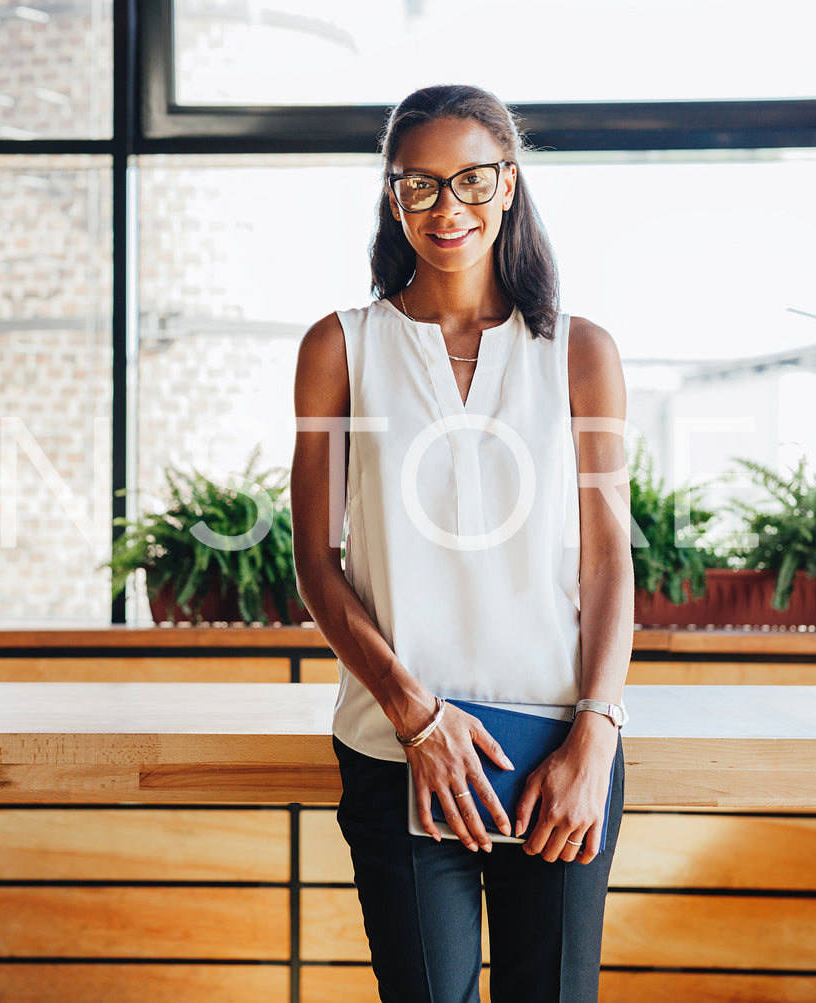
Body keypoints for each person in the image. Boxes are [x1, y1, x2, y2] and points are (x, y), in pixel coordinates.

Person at [290, 83, 633, 1003]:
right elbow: (315, 563)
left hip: (558, 753)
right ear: (391, 197)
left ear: (509, 185)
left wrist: (595, 734)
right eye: (419, 186)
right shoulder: (340, 346)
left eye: (472, 181)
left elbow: (606, 562)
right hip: (398, 747)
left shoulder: (579, 351)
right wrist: (417, 716)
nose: (448, 209)